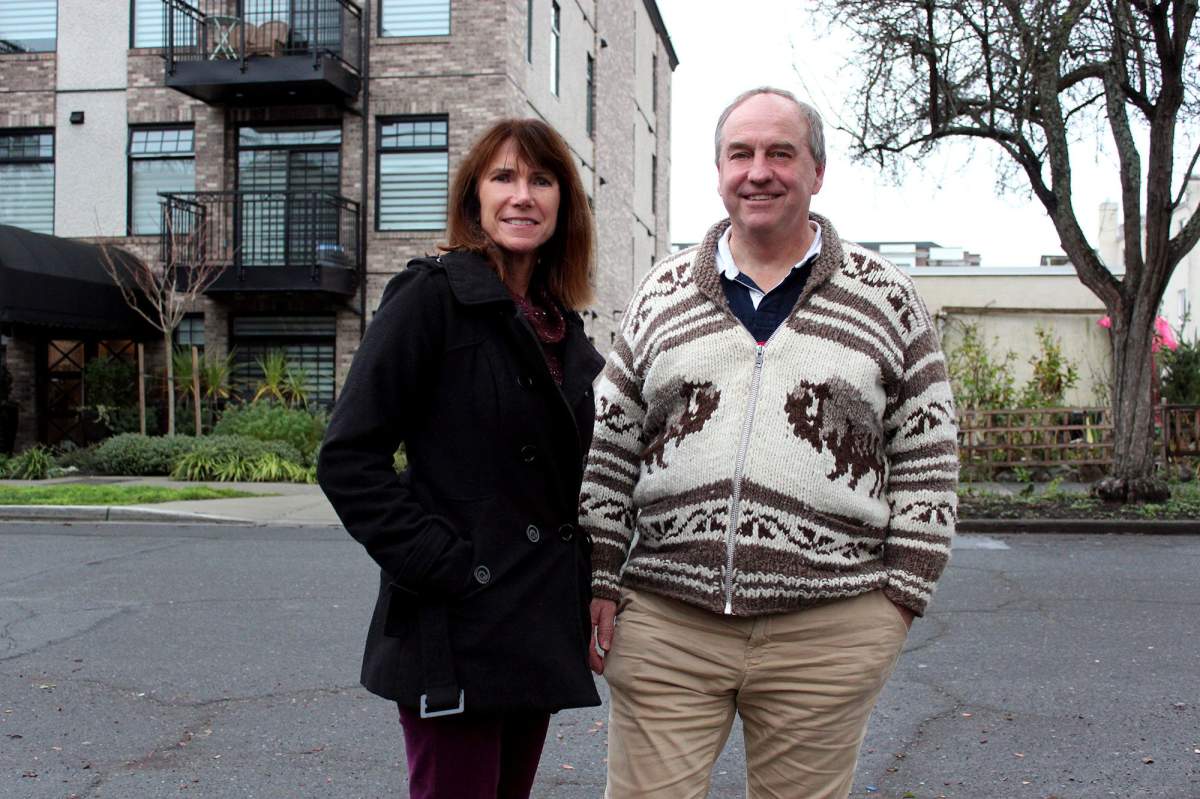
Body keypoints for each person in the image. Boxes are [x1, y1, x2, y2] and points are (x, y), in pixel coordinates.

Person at [580, 87, 960, 799]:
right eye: (741, 154)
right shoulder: (661, 293)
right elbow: (612, 445)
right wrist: (602, 568)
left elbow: (928, 453)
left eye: (780, 153)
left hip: (827, 632)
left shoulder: (886, 296)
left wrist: (899, 600)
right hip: (668, 625)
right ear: (719, 170)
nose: (759, 171)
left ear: (817, 171)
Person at [318, 118, 604, 799]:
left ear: (563, 203)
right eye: (502, 177)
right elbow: (348, 458)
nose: (522, 195)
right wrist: (443, 563)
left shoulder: (558, 323)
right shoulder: (431, 298)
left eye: (541, 179)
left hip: (532, 624)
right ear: (475, 196)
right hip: (455, 622)